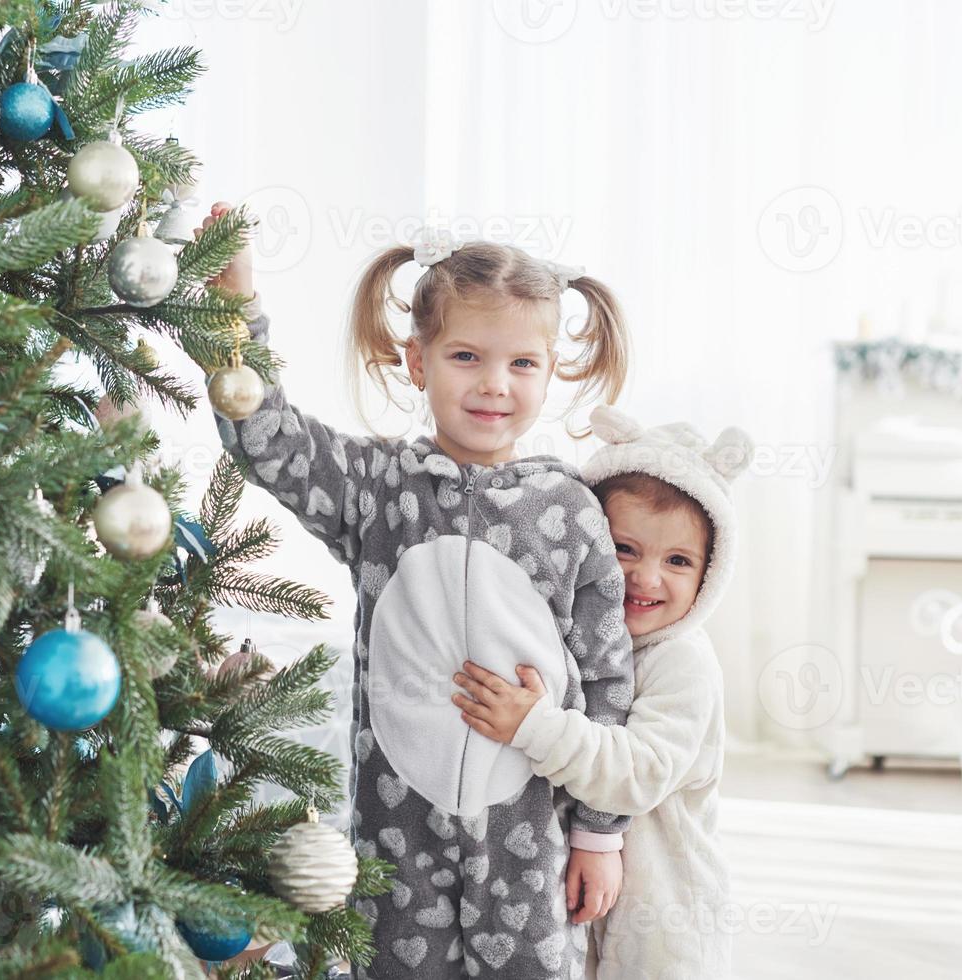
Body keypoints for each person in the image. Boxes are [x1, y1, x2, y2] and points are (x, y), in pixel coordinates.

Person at [195, 204, 634, 978]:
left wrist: (601, 835)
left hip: (528, 829)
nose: (495, 385)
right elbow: (264, 437)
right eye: (466, 356)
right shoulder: (376, 486)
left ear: (551, 371)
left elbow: (605, 677)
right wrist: (237, 310)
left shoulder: (570, 511)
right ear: (416, 360)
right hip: (398, 822)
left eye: (522, 364)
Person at [450, 405, 754, 979]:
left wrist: (534, 725)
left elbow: (638, 772)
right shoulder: (577, 641)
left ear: (709, 575)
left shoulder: (682, 663)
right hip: (586, 910)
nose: (647, 577)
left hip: (663, 932)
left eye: (678, 560)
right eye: (625, 549)